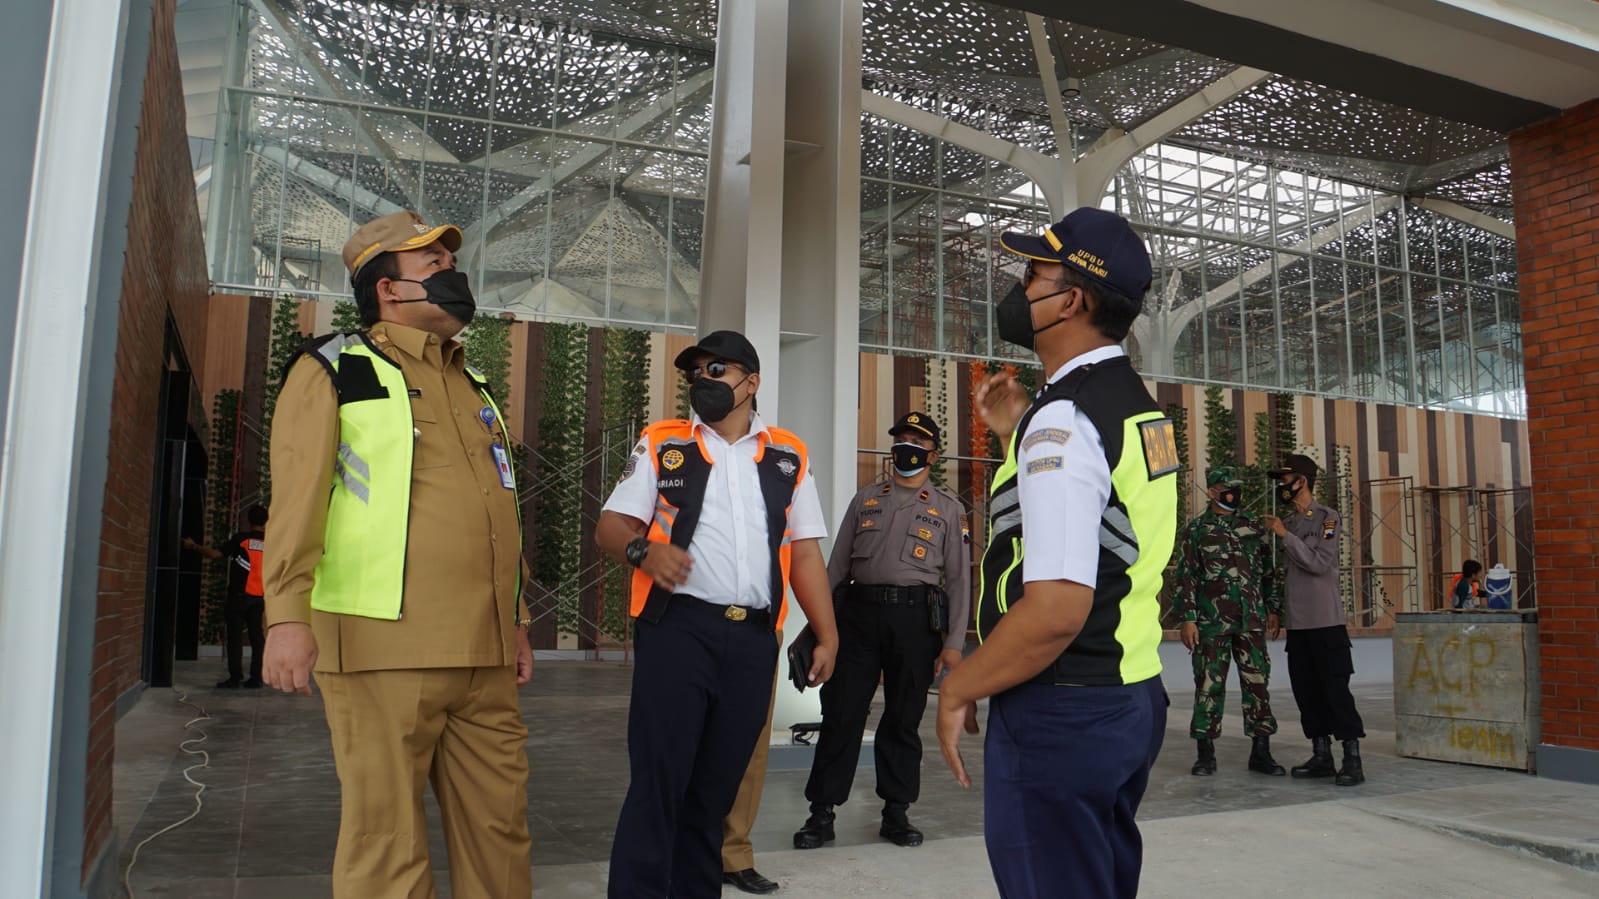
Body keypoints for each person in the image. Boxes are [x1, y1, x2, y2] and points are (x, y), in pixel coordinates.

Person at [261, 210, 535, 899]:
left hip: (484, 650)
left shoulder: (475, 390)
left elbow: (496, 510)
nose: (453, 278)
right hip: (382, 645)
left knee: (499, 829)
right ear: (388, 290)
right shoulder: (335, 370)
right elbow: (295, 504)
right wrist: (285, 616)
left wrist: (518, 616)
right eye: (434, 269)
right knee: (386, 838)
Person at [936, 207, 1175, 899]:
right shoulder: (1133, 407)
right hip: (1127, 694)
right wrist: (1019, 431)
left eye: (1033, 273)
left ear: (1071, 299)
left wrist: (961, 683)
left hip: (1061, 709)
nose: (1019, 287)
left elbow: (1054, 612)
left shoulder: (1066, 421)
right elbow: (1112, 531)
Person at [596, 329, 840, 899]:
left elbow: (804, 550)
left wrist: (827, 634)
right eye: (695, 373)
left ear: (751, 383)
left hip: (754, 641)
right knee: (660, 783)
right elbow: (612, 526)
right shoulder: (663, 443)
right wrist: (643, 551)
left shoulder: (787, 455)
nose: (702, 382)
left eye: (717, 371)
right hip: (677, 632)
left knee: (715, 791)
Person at [794, 411, 971, 851]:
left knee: (903, 719)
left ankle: (896, 812)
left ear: (932, 454)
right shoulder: (867, 499)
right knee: (842, 713)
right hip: (857, 617)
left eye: (916, 440)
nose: (906, 446)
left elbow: (961, 581)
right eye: (901, 439)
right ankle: (821, 813)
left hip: (915, 622)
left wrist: (953, 644)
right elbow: (834, 568)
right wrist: (818, 628)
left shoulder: (949, 510)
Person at [1262, 453, 1366, 787]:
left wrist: (1283, 535)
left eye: (1285, 479)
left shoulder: (1326, 518)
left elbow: (1319, 564)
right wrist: (1276, 609)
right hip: (1299, 624)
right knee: (1306, 692)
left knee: (1336, 690)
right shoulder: (1290, 523)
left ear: (1301, 481)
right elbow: (1286, 574)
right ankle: (1321, 754)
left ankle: (1351, 757)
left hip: (1325, 623)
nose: (1281, 486)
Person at [1175, 469, 1285, 777]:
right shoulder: (1197, 530)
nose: (1233, 493)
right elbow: (1186, 577)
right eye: (1227, 488)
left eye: (1237, 488)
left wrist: (1273, 609)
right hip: (1211, 622)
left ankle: (1261, 751)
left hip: (1251, 619)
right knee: (1209, 685)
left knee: (1258, 683)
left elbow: (1267, 571)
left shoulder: (1252, 526)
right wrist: (1188, 618)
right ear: (1212, 492)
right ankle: (1205, 752)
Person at [184, 505, 270, 689]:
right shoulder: (270, 542)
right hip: (259, 596)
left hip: (239, 596)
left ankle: (235, 677)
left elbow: (216, 554)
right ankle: (256, 678)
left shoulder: (241, 540)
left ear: (248, 520)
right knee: (257, 637)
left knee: (235, 636)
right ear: (266, 522)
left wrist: (193, 546)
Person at [721, 662, 782, 895]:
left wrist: (826, 637)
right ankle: (679, 848)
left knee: (751, 739)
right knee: (683, 734)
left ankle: (733, 853)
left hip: (761, 630)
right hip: (684, 630)